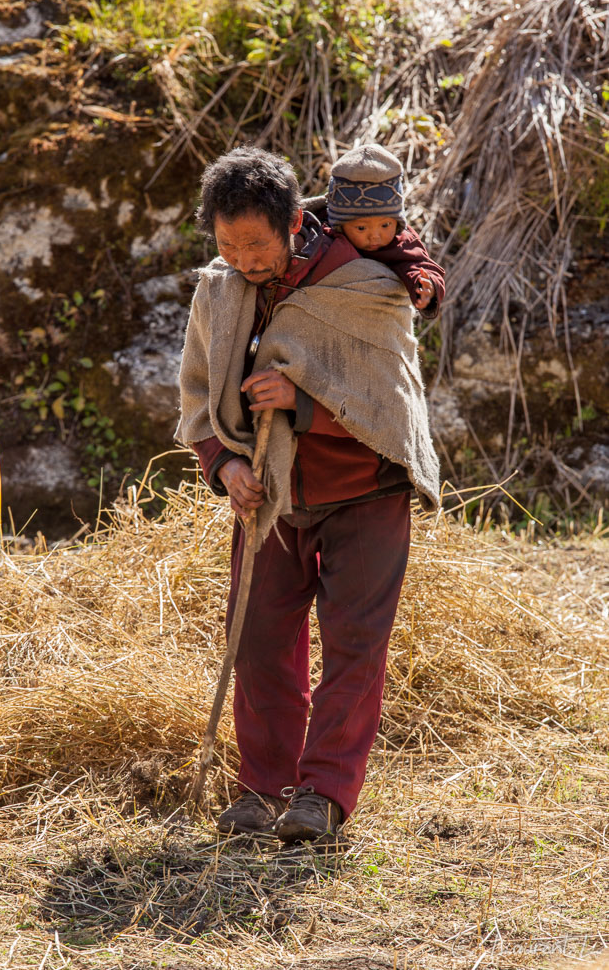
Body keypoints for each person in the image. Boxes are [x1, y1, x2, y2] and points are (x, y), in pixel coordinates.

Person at [176, 145, 440, 843]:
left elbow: (388, 403)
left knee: (353, 645)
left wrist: (302, 403)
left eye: (256, 243)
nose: (243, 258)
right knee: (259, 643)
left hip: (366, 492)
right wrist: (224, 466)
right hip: (270, 499)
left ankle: (322, 795)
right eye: (227, 244)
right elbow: (198, 394)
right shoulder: (221, 289)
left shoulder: (365, 283)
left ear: (294, 222)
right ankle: (261, 791)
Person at [305, 143, 445, 319]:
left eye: (385, 225)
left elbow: (420, 266)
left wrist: (426, 289)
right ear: (338, 224)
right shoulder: (317, 232)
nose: (375, 235)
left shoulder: (401, 243)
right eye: (362, 228)